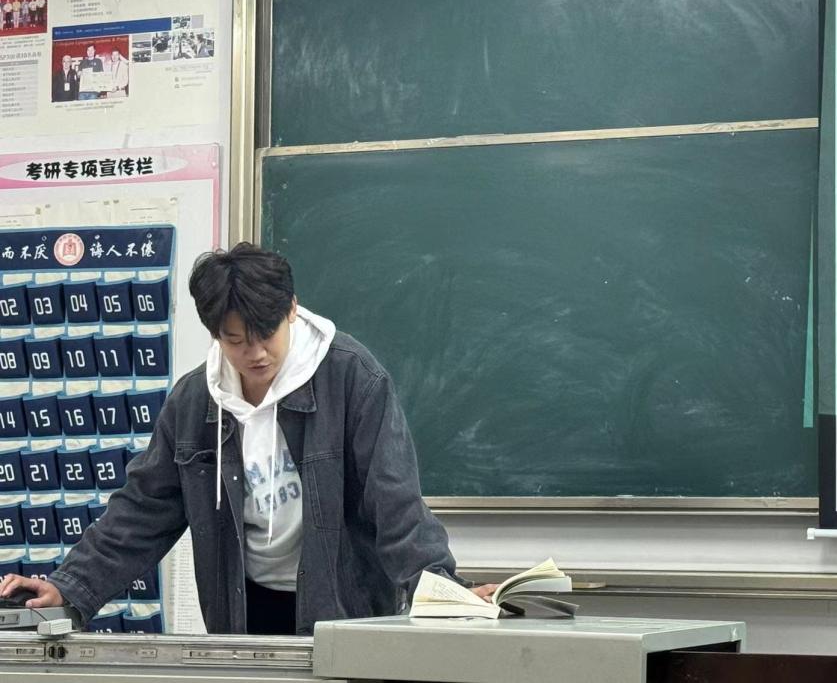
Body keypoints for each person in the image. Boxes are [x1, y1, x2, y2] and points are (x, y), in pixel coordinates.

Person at [0, 244, 495, 634]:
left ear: (292, 309)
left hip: (343, 606)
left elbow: (395, 501)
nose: (255, 353)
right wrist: (70, 587)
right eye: (235, 340)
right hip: (242, 609)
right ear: (215, 333)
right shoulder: (196, 401)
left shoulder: (352, 379)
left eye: (266, 333)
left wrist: (442, 589)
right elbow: (144, 508)